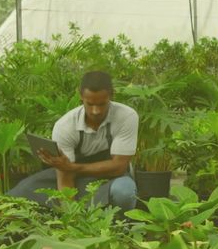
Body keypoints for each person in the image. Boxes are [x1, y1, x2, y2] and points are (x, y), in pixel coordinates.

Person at [8, 71, 139, 210]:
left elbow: (118, 167)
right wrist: (73, 218)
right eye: (90, 104)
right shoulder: (65, 126)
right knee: (24, 190)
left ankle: (120, 226)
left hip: (109, 178)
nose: (96, 111)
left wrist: (73, 168)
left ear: (111, 95)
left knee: (124, 191)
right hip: (69, 177)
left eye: (101, 104)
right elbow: (65, 179)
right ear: (81, 96)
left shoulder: (126, 116)